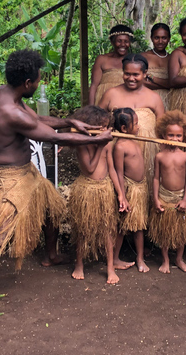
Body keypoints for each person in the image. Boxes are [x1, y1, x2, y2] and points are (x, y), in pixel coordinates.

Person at [0, 49, 112, 319]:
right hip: (9, 181)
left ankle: (51, 255)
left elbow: (38, 120)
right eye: (39, 80)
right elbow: (54, 138)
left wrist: (70, 121)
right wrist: (96, 140)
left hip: (25, 172)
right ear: (28, 83)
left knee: (52, 207)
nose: (40, 83)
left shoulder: (5, 93)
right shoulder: (11, 110)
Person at [68, 105, 124, 285]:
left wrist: (120, 194)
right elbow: (90, 168)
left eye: (107, 127)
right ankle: (79, 263)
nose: (106, 131)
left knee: (108, 230)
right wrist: (100, 145)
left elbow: (112, 169)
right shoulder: (81, 144)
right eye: (102, 128)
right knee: (83, 229)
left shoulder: (106, 143)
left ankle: (109, 267)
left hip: (104, 189)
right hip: (87, 189)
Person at [98, 53, 165, 191]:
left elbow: (162, 129)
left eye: (136, 74)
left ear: (145, 73)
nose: (131, 78)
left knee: (142, 192)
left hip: (147, 152)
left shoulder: (154, 98)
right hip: (116, 151)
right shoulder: (111, 94)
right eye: (127, 74)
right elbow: (96, 118)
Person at [150, 110, 186, 274]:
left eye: (178, 136)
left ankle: (179, 259)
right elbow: (156, 178)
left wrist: (185, 199)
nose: (175, 139)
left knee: (181, 232)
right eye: (171, 135)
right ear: (163, 134)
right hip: (165, 197)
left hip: (180, 197)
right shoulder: (160, 156)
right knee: (165, 231)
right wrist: (156, 199)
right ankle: (166, 260)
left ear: (184, 136)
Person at [109, 108, 149, 273]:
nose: (139, 126)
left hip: (140, 188)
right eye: (136, 123)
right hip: (129, 189)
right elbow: (118, 172)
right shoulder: (120, 146)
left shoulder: (135, 139)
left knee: (139, 226)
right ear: (124, 129)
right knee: (123, 226)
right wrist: (122, 196)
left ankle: (140, 258)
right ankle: (115, 258)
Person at [89, 24, 134, 106]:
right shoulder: (102, 59)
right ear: (112, 42)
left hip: (126, 100)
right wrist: (91, 108)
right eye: (119, 41)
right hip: (102, 101)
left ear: (130, 43)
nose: (123, 44)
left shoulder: (134, 60)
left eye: (126, 41)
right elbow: (94, 85)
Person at [142, 23, 172, 109]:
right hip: (148, 101)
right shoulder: (144, 57)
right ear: (151, 38)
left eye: (164, 38)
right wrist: (167, 85)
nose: (160, 41)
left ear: (169, 39)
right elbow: (141, 82)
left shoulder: (173, 58)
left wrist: (153, 79)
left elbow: (175, 83)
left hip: (170, 101)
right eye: (156, 38)